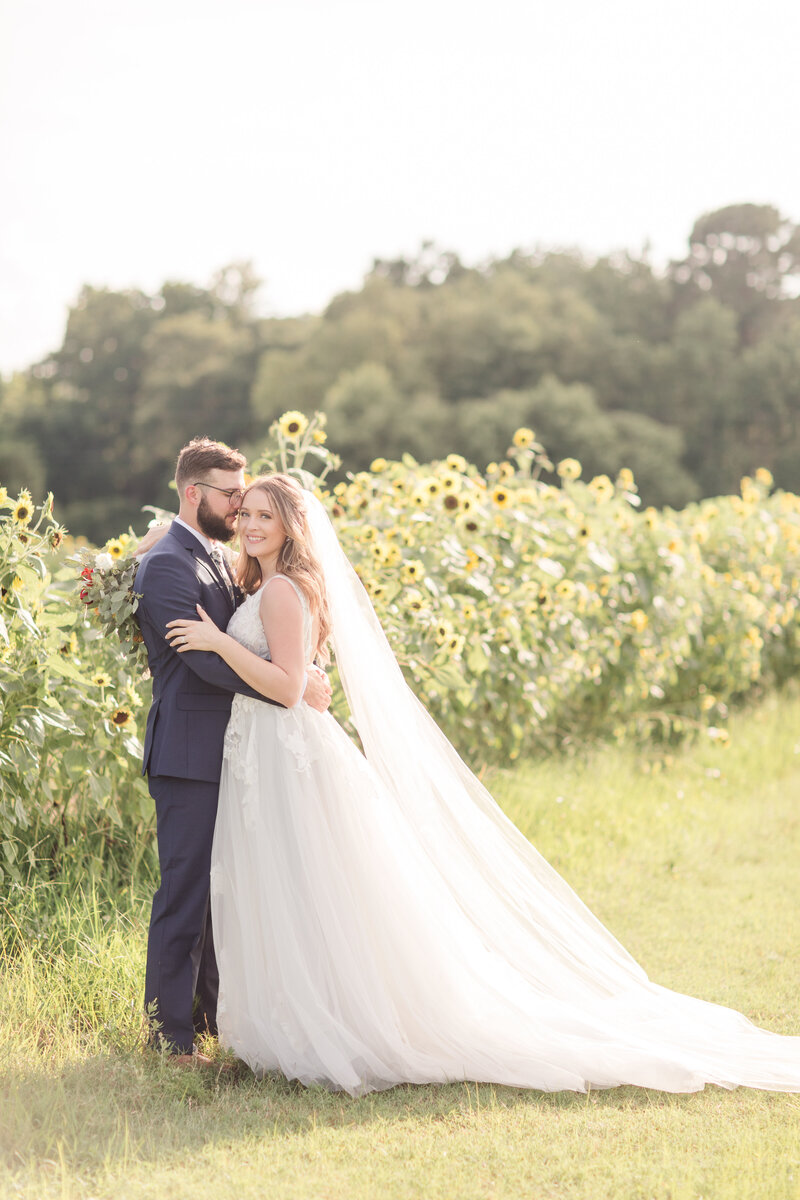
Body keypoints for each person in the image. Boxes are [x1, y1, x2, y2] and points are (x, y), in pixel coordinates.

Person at [163, 473, 800, 1095]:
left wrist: (218, 643)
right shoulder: (273, 584)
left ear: (291, 527)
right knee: (302, 886)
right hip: (273, 755)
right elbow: (300, 679)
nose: (248, 525)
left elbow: (284, 686)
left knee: (304, 883)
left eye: (264, 517)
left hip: (286, 754)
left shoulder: (280, 591)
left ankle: (326, 1022)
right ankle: (303, 1015)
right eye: (244, 513)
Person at [134, 441, 331, 1065]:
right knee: (185, 894)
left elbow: (270, 637)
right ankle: (169, 1038)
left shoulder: (215, 557)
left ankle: (210, 1017)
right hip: (187, 752)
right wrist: (290, 693)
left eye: (250, 503)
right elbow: (201, 662)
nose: (240, 508)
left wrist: (294, 677)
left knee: (221, 895)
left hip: (231, 750)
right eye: (231, 497)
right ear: (194, 494)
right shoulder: (170, 563)